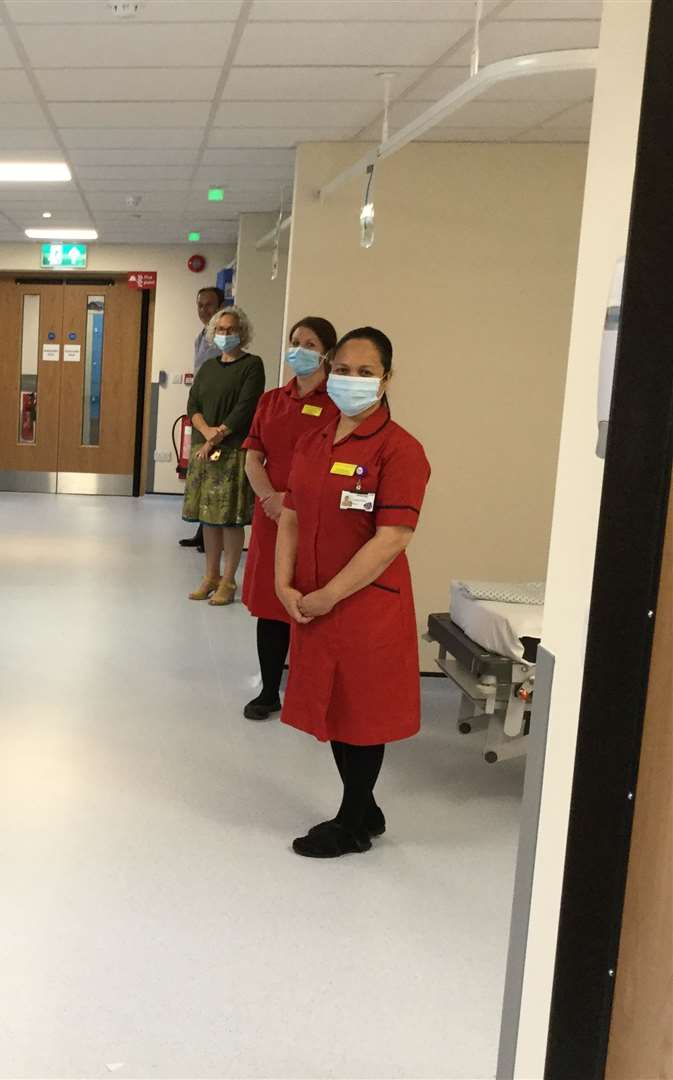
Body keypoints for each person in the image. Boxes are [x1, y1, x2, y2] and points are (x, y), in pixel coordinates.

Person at [275, 327, 431, 858]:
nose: (351, 381)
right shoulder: (314, 439)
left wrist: (329, 595)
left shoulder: (400, 450)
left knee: (361, 714)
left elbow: (392, 538)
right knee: (335, 706)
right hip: (315, 599)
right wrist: (283, 581)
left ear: (387, 379)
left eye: (366, 373)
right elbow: (291, 515)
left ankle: (351, 823)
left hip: (365, 604)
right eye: (342, 369)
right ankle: (364, 805)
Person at [239, 315, 339, 721]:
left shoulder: (338, 405)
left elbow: (335, 465)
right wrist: (272, 501)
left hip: (316, 519)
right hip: (271, 517)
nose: (299, 350)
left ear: (327, 354)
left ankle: (309, 693)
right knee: (271, 604)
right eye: (295, 341)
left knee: (312, 605)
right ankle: (269, 690)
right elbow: (252, 457)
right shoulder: (271, 401)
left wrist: (292, 502)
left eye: (310, 344)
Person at [181, 305, 265, 607]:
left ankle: (229, 581)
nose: (225, 334)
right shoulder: (208, 367)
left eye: (231, 330)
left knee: (229, 520)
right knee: (209, 519)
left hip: (232, 451)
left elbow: (245, 408)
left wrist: (216, 437)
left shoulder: (252, 365)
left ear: (242, 333)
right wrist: (205, 432)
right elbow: (193, 405)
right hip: (205, 449)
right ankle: (210, 577)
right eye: (221, 329)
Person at [180, 286, 225, 551]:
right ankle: (201, 531)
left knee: (214, 475)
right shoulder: (201, 337)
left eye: (210, 305)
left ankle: (210, 535)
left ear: (221, 306)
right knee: (200, 473)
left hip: (216, 417)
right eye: (200, 305)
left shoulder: (223, 338)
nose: (204, 310)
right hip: (200, 413)